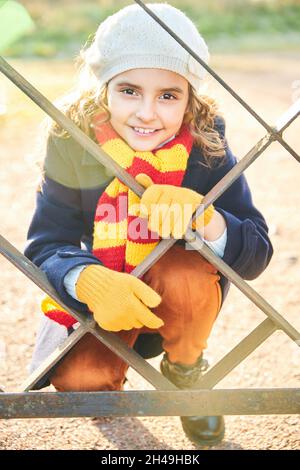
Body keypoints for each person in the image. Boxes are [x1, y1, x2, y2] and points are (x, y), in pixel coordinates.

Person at [24, 3, 273, 447]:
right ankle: (115, 368)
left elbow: (256, 250)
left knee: (183, 271)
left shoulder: (206, 143)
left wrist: (208, 218)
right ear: (103, 88)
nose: (146, 113)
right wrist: (90, 281)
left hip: (180, 298)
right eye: (129, 90)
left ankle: (187, 372)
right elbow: (48, 241)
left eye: (168, 95)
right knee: (82, 379)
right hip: (108, 297)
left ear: (191, 99)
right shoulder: (71, 138)